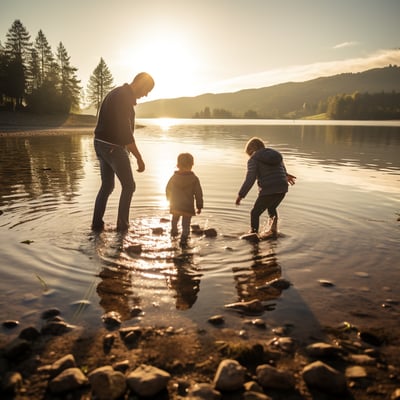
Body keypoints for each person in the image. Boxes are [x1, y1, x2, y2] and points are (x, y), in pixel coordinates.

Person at [91, 72, 155, 232]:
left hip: (100, 143)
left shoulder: (117, 92)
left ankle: (97, 225)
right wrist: (139, 158)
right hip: (113, 147)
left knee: (107, 186)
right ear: (140, 84)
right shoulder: (123, 97)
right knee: (129, 186)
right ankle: (122, 226)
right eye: (147, 90)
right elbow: (125, 133)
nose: (146, 95)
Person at [235, 137, 296, 237]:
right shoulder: (276, 155)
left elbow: (250, 179)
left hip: (269, 189)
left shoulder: (253, 159)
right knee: (272, 208)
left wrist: (240, 195)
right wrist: (286, 175)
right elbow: (282, 169)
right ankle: (274, 231)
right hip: (282, 188)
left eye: (249, 154)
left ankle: (253, 235)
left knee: (255, 213)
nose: (249, 156)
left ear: (251, 150)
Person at [166, 153, 203, 245]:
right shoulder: (194, 179)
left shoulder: (174, 177)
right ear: (191, 165)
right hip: (187, 206)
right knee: (186, 224)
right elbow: (198, 194)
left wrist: (169, 200)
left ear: (178, 165)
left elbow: (168, 189)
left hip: (175, 205)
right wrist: (199, 206)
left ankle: (174, 233)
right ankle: (184, 239)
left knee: (174, 221)